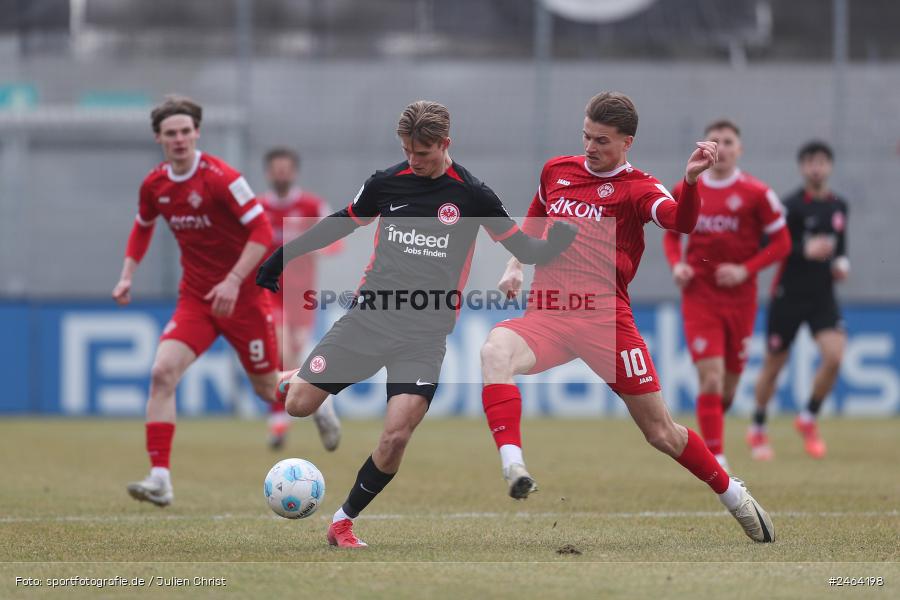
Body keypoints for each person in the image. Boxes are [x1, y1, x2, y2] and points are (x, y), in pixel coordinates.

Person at [256, 100, 577, 548]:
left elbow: (525, 250)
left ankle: (343, 521)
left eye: (422, 153)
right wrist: (281, 257)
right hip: (368, 319)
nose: (413, 159)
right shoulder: (386, 183)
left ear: (445, 144)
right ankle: (306, 382)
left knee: (396, 435)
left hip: (423, 337)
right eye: (407, 150)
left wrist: (554, 243)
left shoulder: (473, 194)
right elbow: (339, 225)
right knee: (297, 406)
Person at [479, 92, 774, 543]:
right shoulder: (557, 170)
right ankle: (513, 464)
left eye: (601, 140)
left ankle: (732, 493)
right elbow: (538, 213)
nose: (590, 147)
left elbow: (680, 222)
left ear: (626, 143)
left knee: (661, 433)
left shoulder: (638, 188)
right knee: (494, 350)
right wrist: (515, 262)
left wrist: (691, 181)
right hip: (551, 314)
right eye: (586, 136)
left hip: (605, 321)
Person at [112, 96, 286, 507]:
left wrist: (232, 280)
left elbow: (263, 232)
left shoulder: (223, 178)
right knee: (161, 373)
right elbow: (142, 227)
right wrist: (126, 275)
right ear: (159, 138)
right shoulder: (155, 184)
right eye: (171, 133)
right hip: (196, 300)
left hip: (242, 298)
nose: (179, 139)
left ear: (197, 134)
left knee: (268, 388)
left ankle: (317, 405)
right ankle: (160, 478)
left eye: (186, 132)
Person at [662, 120, 791, 469]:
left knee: (728, 387)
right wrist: (677, 265)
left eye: (728, 141)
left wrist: (744, 270)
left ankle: (714, 430)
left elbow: (782, 243)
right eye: (714, 140)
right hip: (699, 295)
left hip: (740, 299)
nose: (721, 146)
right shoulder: (687, 186)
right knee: (712, 376)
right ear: (705, 148)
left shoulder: (757, 193)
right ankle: (716, 458)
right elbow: (672, 234)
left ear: (739, 149)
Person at [750, 140, 849, 460]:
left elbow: (840, 244)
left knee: (834, 356)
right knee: (774, 365)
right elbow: (768, 244)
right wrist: (801, 250)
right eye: (810, 162)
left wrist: (841, 263)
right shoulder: (789, 205)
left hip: (822, 295)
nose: (816, 167)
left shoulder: (839, 206)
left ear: (829, 166)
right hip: (788, 294)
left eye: (821, 161)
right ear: (802, 167)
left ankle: (807, 418)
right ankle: (759, 427)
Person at [258, 146, 341, 451]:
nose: (281, 173)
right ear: (268, 173)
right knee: (281, 351)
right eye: (276, 168)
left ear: (294, 172)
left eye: (286, 168)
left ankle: (318, 404)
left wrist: (318, 248)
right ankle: (279, 421)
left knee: (296, 353)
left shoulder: (312, 205)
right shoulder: (258, 208)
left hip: (303, 296)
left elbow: (336, 243)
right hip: (270, 294)